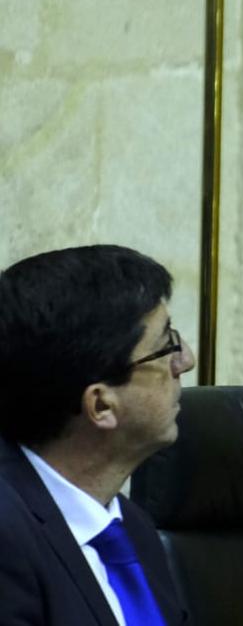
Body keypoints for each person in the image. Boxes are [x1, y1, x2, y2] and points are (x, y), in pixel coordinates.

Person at [0, 245, 195, 625]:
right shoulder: (7, 542)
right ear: (101, 406)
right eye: (165, 345)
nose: (185, 359)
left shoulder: (131, 529)